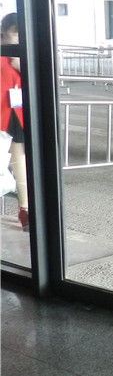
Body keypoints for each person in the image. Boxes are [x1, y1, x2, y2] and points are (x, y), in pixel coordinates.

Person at [1, 13, 29, 230]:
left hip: (17, 115)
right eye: (15, 33)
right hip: (3, 114)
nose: (19, 38)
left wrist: (22, 67)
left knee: (21, 164)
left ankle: (25, 209)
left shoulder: (24, 56)